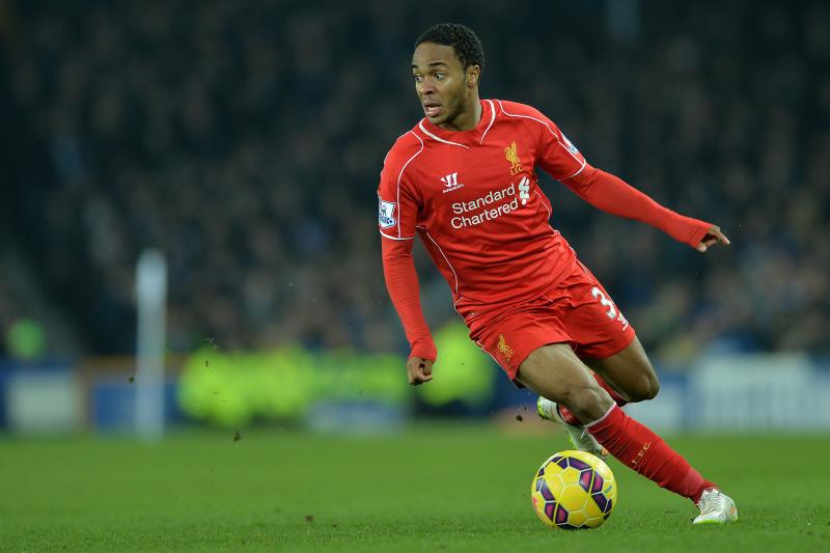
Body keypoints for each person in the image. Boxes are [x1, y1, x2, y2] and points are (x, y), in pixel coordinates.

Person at [377, 23, 737, 525]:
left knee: (642, 385)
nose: (426, 88)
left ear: (472, 74)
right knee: (590, 396)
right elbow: (395, 255)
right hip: (499, 310)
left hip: (563, 276)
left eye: (438, 74)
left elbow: (590, 182)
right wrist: (420, 339)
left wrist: (677, 224)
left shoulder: (524, 124)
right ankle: (707, 496)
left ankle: (564, 411)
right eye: (418, 77)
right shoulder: (405, 162)